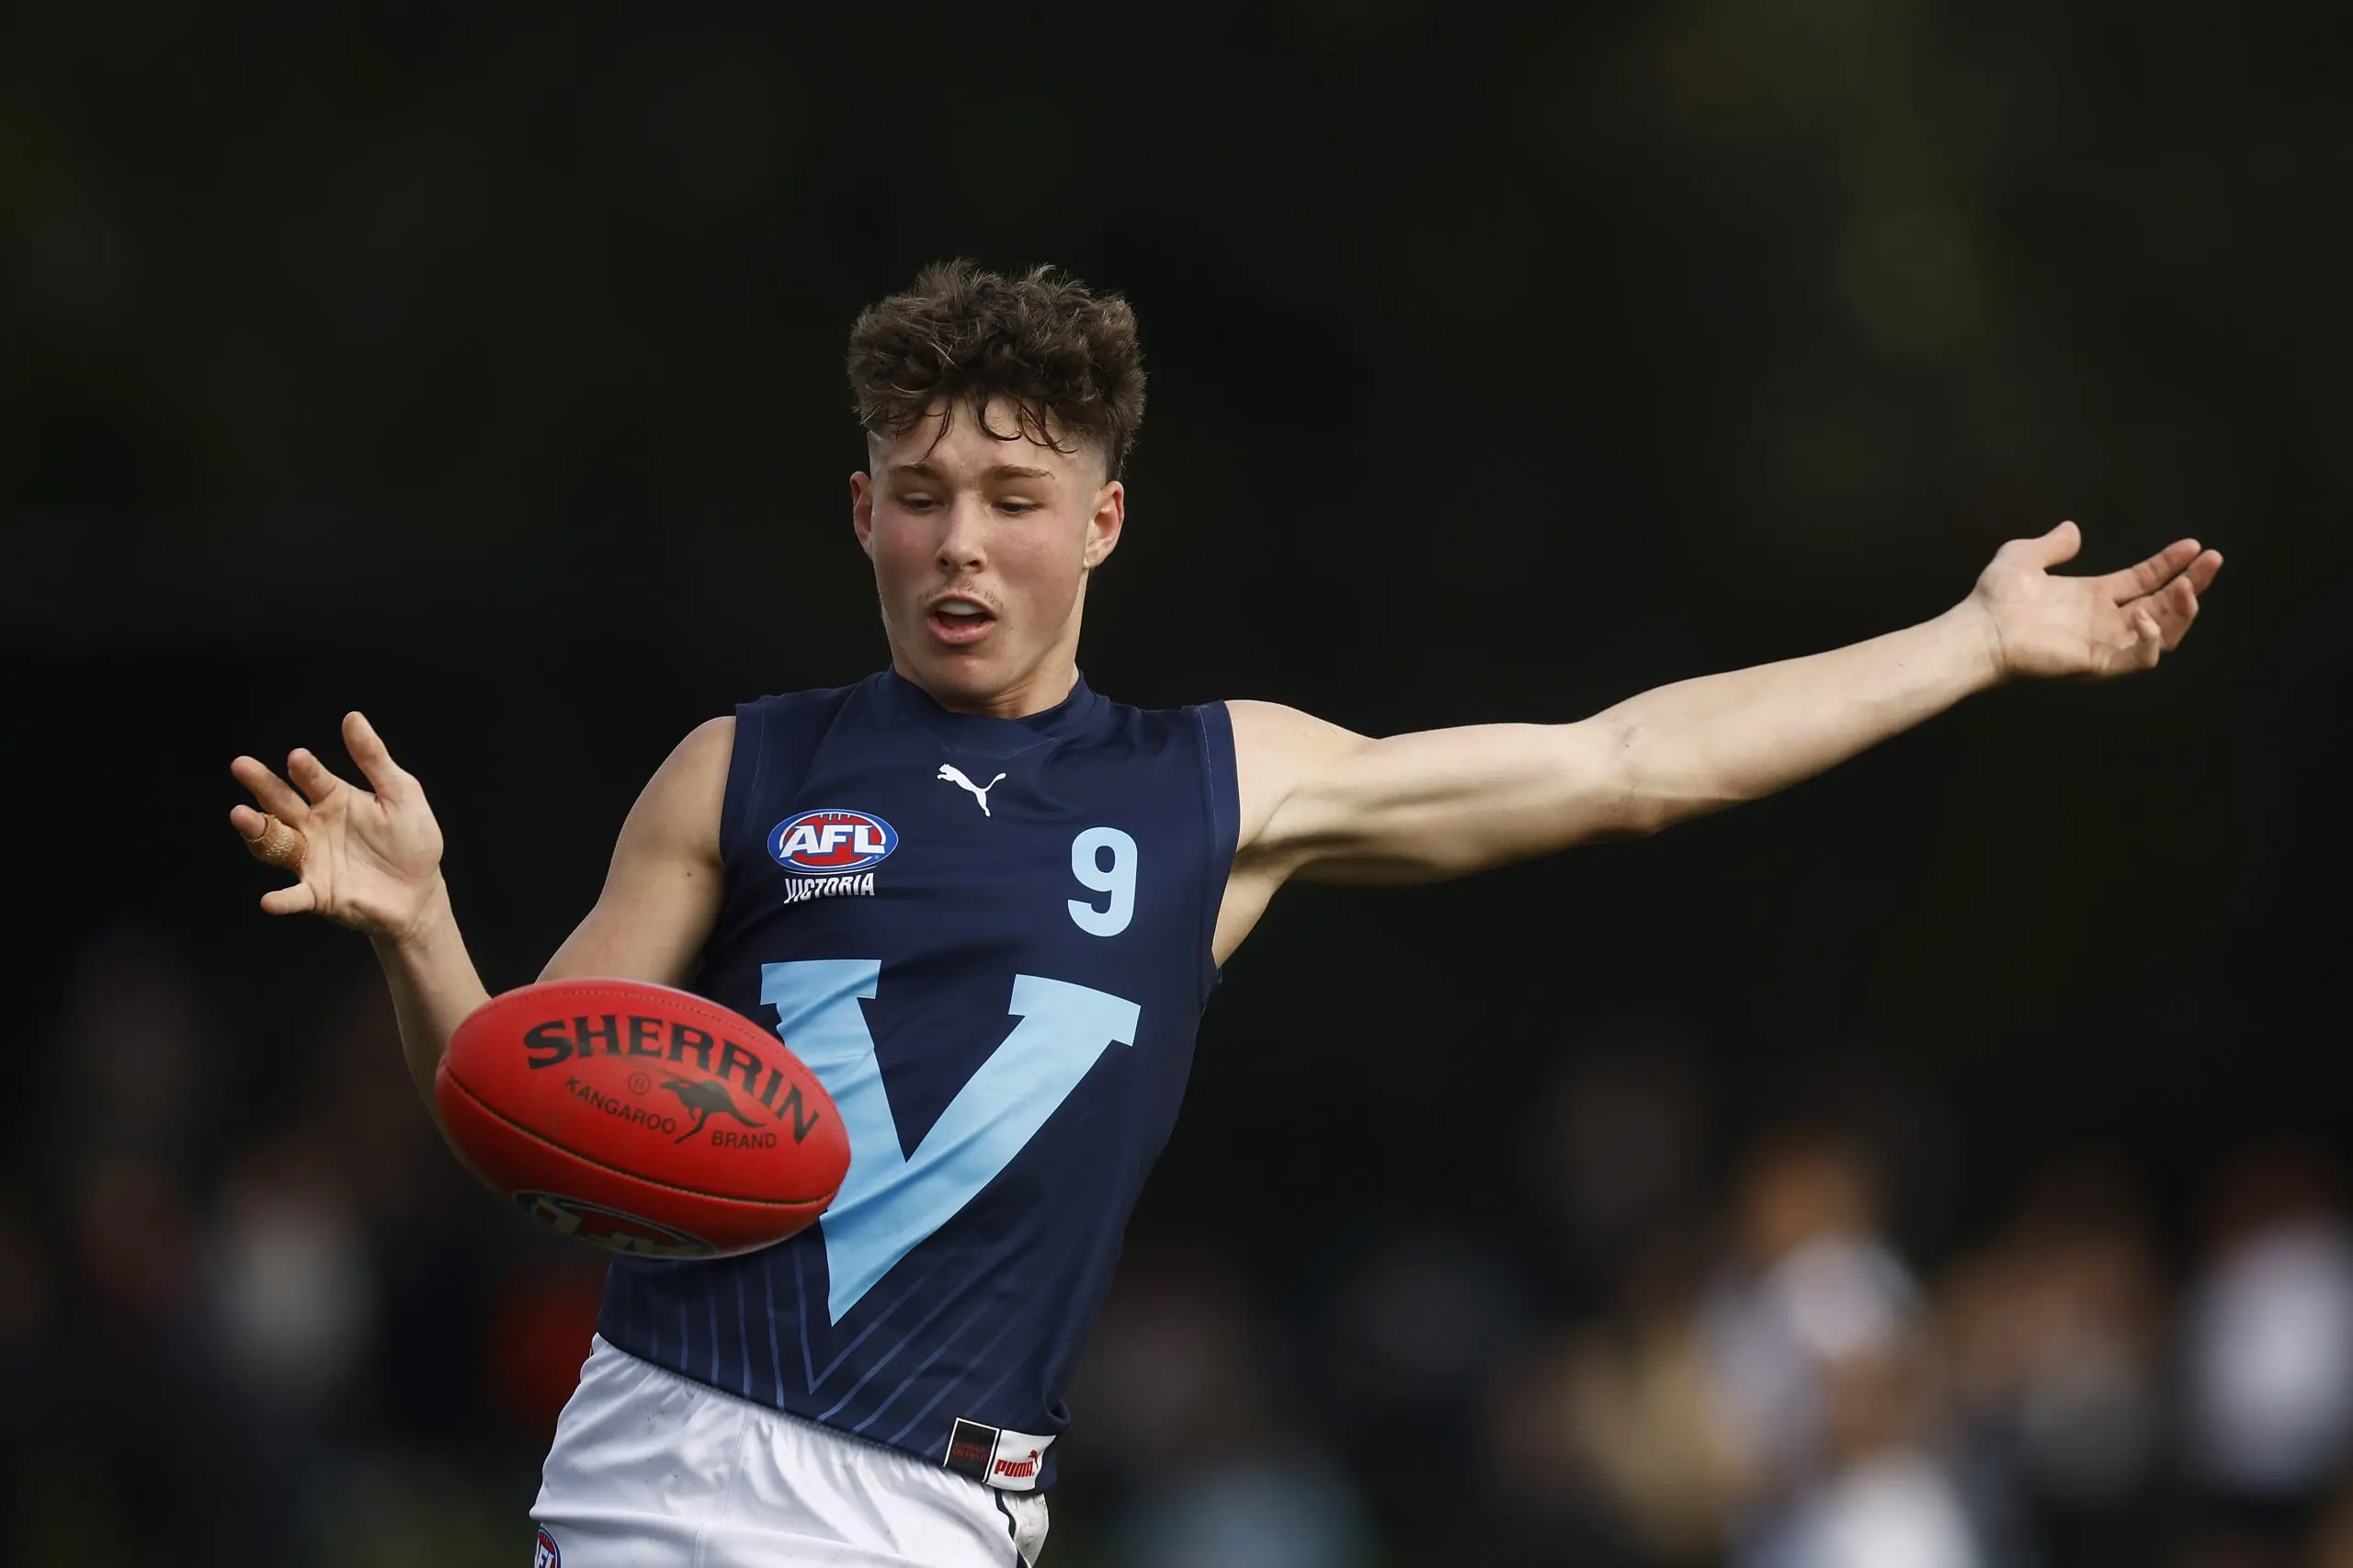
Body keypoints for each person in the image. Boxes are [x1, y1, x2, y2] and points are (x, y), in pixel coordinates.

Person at [226, 261, 2222, 1567]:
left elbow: (1624, 764)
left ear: (1100, 519)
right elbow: (536, 1132)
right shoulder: (737, 770)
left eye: (1012, 494)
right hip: (688, 1471)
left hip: (950, 1514)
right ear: (858, 514)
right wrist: (424, 936)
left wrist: (1961, 645)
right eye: (915, 491)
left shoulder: (1217, 788)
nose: (957, 540)